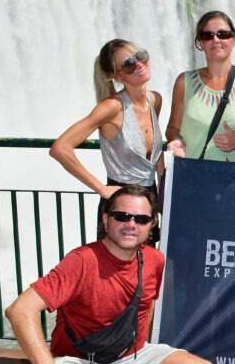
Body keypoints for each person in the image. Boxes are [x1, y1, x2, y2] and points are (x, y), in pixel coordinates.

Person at [5, 186, 218, 364]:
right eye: (122, 216)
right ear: (106, 220)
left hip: (131, 358)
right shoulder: (82, 261)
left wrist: (141, 359)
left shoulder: (154, 260)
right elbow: (20, 310)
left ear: (151, 225)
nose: (131, 224)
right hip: (80, 363)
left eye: (141, 219)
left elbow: (147, 306)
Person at [50, 39, 163, 235]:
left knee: (146, 264)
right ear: (116, 76)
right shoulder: (112, 108)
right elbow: (60, 148)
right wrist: (101, 189)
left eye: (140, 56)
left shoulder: (155, 100)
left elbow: (152, 153)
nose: (138, 64)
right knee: (115, 265)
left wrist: (163, 191)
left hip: (149, 203)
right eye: (128, 64)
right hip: (121, 208)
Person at [165, 10, 235, 162]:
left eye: (223, 34)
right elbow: (173, 128)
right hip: (194, 177)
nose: (216, 40)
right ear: (200, 42)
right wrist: (176, 141)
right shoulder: (183, 82)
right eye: (207, 35)